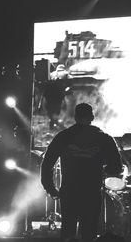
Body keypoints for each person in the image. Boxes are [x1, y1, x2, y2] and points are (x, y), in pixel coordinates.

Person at [41, 103, 123, 242]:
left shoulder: (63, 137)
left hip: (69, 192)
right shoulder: (104, 138)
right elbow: (116, 167)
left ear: (75, 117)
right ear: (92, 117)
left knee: (68, 232)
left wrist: (51, 189)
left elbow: (47, 164)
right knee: (89, 233)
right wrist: (102, 170)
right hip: (92, 192)